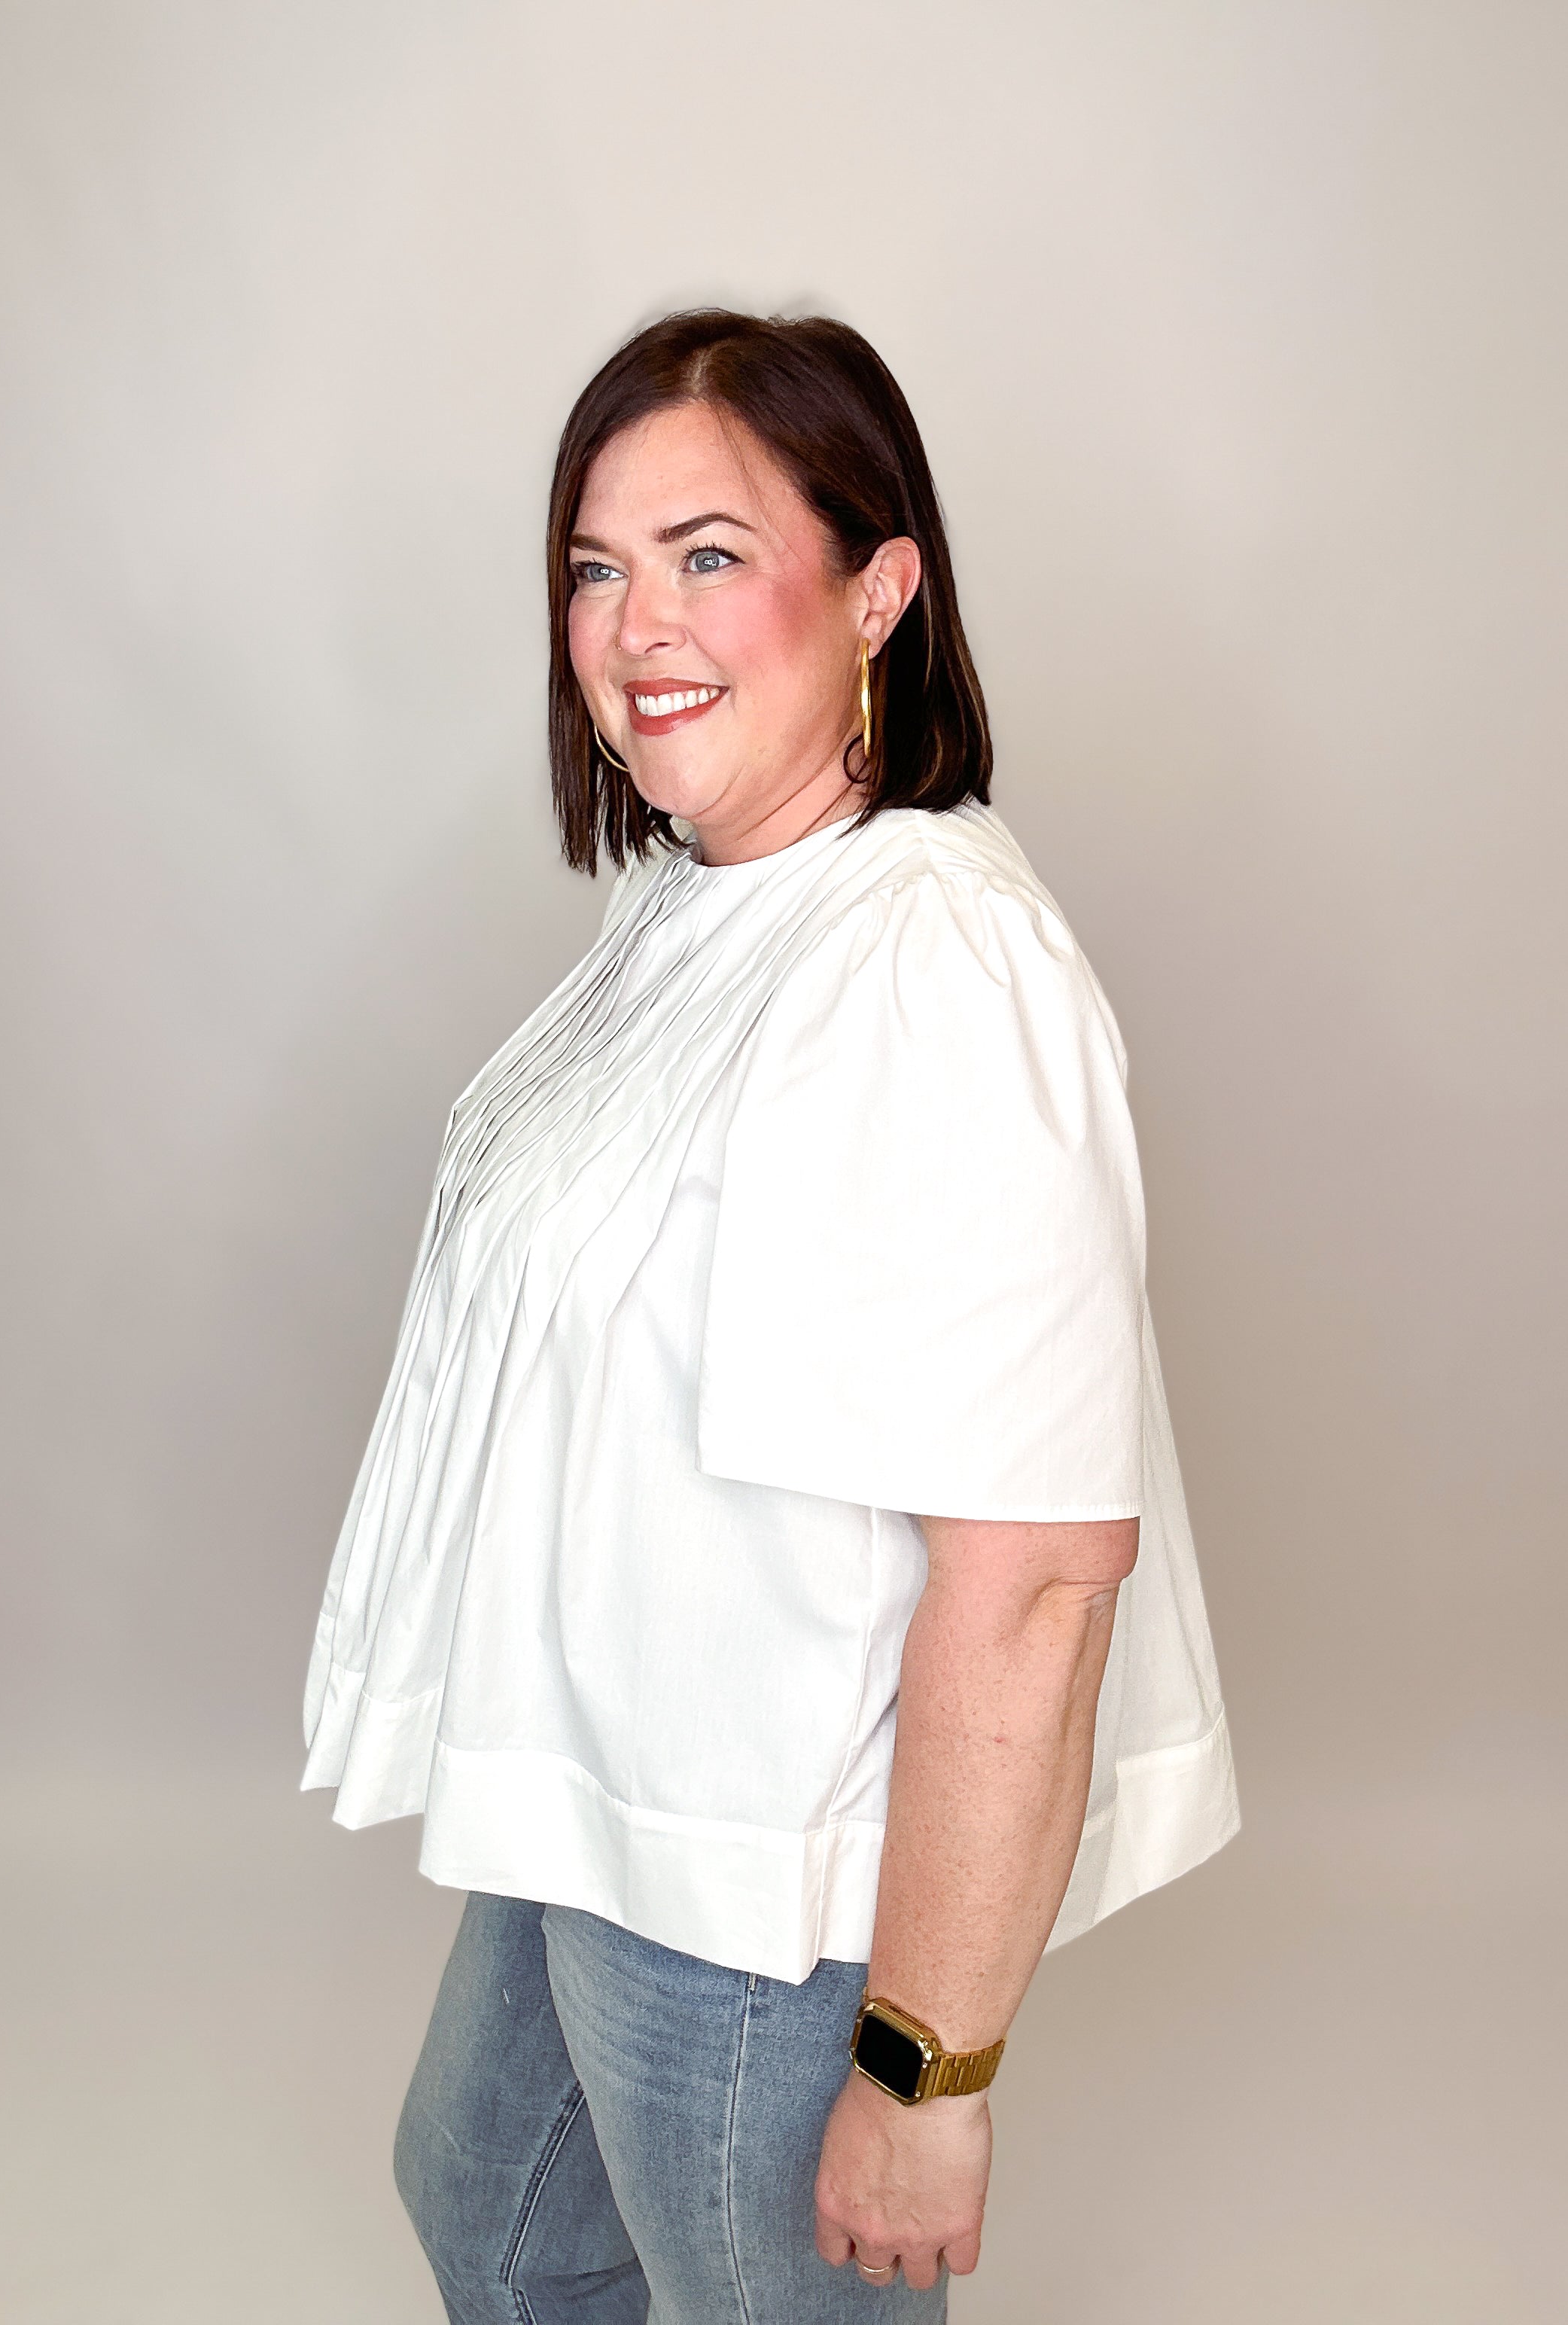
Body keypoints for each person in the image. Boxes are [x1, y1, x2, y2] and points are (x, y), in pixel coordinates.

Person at [302, 309, 1238, 2321]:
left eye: (708, 554)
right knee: (491, 2213)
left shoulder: (933, 969)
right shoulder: (703, 897)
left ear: (880, 589)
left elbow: (1035, 1579)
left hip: (756, 1879)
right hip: (608, 1791)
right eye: (595, 566)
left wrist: (924, 2072)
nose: (636, 624)